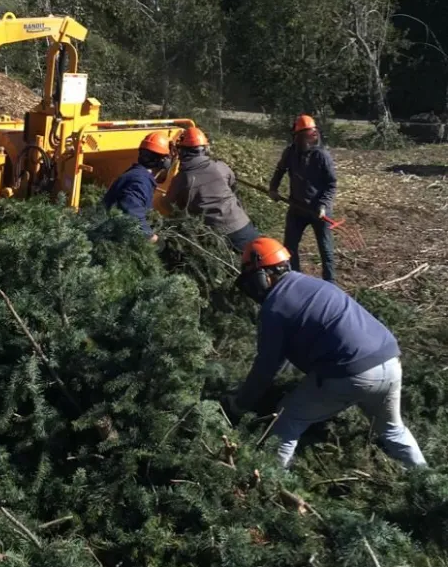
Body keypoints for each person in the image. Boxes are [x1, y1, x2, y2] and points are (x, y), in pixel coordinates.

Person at [227, 236, 426, 469]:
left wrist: (240, 404)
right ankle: (423, 477)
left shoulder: (275, 307)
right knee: (392, 429)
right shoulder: (315, 284)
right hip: (390, 361)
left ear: (264, 276)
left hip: (351, 373)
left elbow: (266, 366)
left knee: (287, 419)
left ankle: (269, 483)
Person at [164, 126, 260, 253]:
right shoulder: (221, 167)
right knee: (259, 263)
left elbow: (169, 205)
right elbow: (232, 186)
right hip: (242, 225)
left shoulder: (182, 179)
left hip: (216, 236)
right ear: (205, 149)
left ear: (182, 152)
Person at [269, 114, 337, 282]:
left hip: (318, 211)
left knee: (326, 250)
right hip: (297, 208)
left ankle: (331, 283)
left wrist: (322, 205)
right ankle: (295, 279)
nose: (310, 140)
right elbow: (280, 171)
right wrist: (273, 189)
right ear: (297, 137)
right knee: (289, 247)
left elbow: (331, 184)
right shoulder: (290, 152)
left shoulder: (322, 156)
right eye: (306, 136)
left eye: (312, 135)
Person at [104, 131, 171, 243]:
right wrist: (152, 238)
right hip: (114, 240)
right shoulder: (140, 181)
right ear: (164, 162)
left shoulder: (137, 175)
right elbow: (132, 213)